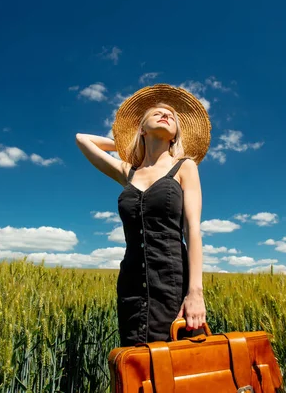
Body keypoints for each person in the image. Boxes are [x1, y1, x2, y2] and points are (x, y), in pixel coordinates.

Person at [75, 84, 212, 346]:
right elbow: (83, 139)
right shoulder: (128, 171)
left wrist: (195, 292)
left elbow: (192, 229)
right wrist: (131, 143)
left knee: (175, 365)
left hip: (172, 281)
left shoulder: (185, 167)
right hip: (131, 284)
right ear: (141, 128)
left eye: (171, 116)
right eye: (157, 113)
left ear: (175, 136)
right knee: (136, 365)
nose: (166, 115)